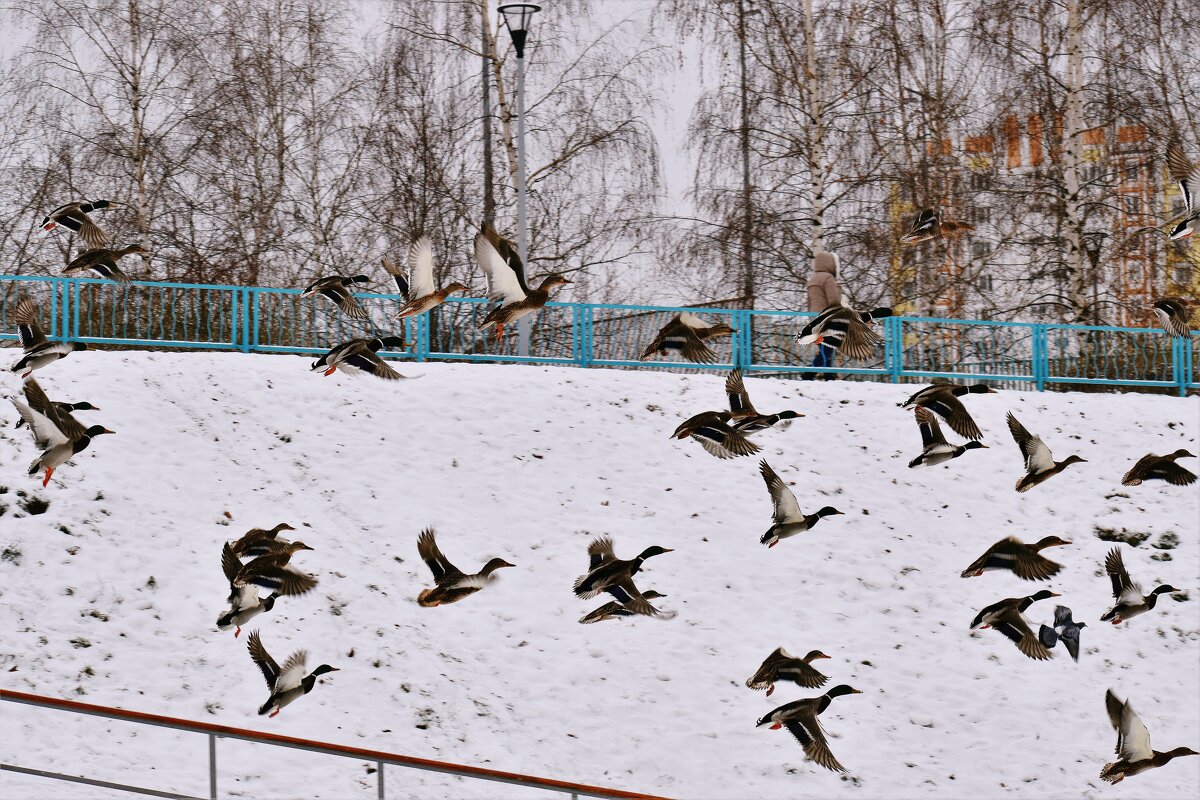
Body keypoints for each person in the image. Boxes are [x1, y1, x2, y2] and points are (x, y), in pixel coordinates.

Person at [805, 251, 841, 379]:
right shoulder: (828, 278)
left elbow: (809, 302)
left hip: (815, 319)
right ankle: (821, 375)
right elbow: (834, 300)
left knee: (825, 348)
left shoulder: (811, 279)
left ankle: (817, 374)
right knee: (828, 348)